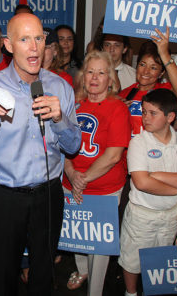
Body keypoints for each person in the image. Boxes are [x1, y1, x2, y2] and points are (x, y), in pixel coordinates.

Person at [0, 13, 81, 295]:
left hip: (49, 194)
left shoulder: (60, 86)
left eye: (39, 38)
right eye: (24, 39)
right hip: (7, 197)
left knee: (44, 272)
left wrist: (60, 118)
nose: (34, 47)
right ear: (8, 45)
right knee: (5, 274)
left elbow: (73, 147)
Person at [119, 88, 177, 296]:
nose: (145, 117)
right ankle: (130, 292)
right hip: (142, 213)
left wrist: (157, 174)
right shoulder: (138, 142)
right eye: (144, 112)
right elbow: (142, 183)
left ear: (170, 117)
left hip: (171, 214)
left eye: (152, 113)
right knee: (132, 259)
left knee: (160, 260)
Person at [62, 51, 131, 295]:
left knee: (99, 247)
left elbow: (113, 155)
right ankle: (82, 270)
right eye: (90, 71)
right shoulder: (73, 103)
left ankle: (95, 290)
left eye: (101, 73)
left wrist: (83, 178)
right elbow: (61, 142)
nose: (94, 77)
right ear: (82, 76)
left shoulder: (118, 108)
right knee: (75, 235)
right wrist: (71, 173)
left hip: (103, 189)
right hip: (71, 182)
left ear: (110, 79)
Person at [119, 28, 177, 136]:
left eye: (153, 68)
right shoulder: (125, 94)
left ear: (161, 73)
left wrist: (165, 55)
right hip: (127, 151)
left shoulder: (164, 92)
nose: (146, 71)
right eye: (142, 64)